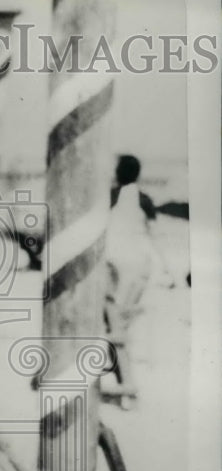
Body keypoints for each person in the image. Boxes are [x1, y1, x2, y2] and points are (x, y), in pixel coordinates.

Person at [104, 154, 159, 404]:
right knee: (119, 330)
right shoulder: (145, 200)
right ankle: (125, 386)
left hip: (115, 269)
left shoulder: (111, 196)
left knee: (115, 331)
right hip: (140, 270)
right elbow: (153, 238)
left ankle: (128, 387)